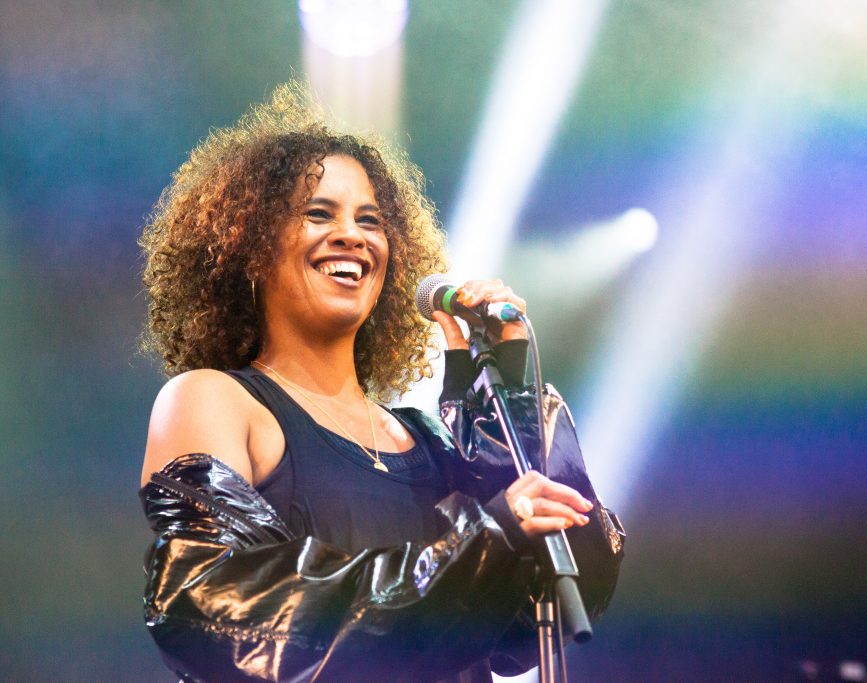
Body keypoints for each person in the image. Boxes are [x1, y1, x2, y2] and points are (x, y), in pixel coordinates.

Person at [138, 82, 624, 682]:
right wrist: (485, 540)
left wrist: (508, 392)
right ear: (249, 247)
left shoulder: (430, 440)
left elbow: (535, 614)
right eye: (319, 213)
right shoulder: (214, 400)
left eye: (370, 220)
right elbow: (216, 612)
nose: (353, 235)